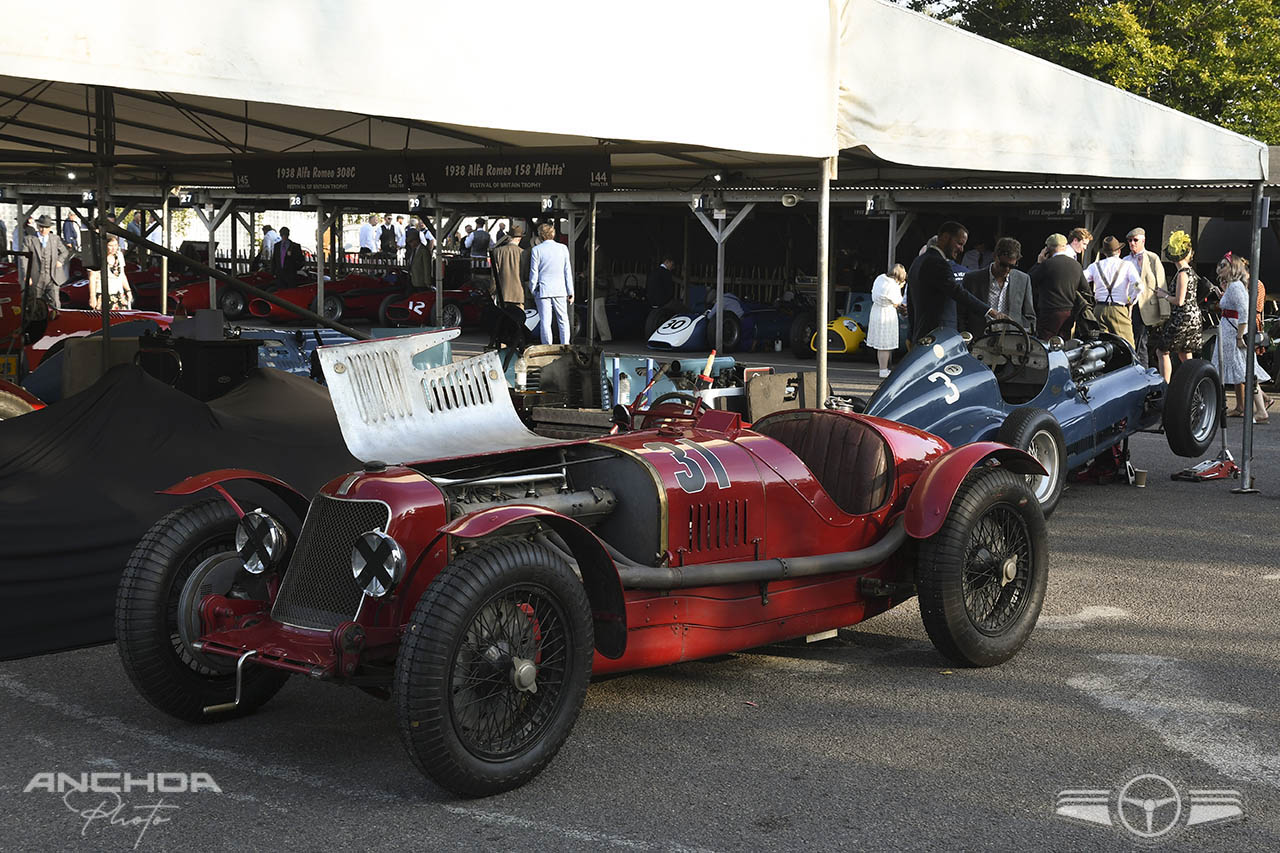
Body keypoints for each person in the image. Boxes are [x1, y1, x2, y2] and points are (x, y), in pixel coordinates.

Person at [908, 221, 1003, 341]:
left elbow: (911, 304)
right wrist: (990, 311)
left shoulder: (917, 261)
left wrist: (911, 335)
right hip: (938, 336)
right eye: (959, 243)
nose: (962, 249)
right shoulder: (938, 263)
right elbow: (958, 292)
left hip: (921, 334)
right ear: (945, 237)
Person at [1213, 254, 1270, 423]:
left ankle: (1259, 409)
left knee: (1245, 371)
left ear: (1233, 268)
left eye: (1223, 265)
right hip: (1230, 333)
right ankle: (1260, 409)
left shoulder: (1236, 286)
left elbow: (1244, 312)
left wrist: (1239, 336)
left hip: (1233, 335)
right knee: (1246, 372)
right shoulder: (1234, 286)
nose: (1219, 268)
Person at [1153, 230, 1201, 381]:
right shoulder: (1190, 271)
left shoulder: (1182, 274)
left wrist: (1164, 295)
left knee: (1162, 351)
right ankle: (1194, 384)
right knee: (1185, 353)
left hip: (1182, 318)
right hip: (1192, 318)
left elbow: (1180, 301)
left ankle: (1165, 385)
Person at [962, 237, 1035, 337]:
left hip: (1012, 340)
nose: (1007, 269)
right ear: (995, 256)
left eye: (1012, 266)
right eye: (1003, 265)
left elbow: (1029, 316)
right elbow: (962, 313)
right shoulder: (972, 279)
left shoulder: (1023, 279)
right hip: (979, 338)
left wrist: (1026, 337)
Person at [20, 215, 71, 343]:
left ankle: (58, 330)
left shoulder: (55, 239)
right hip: (36, 277)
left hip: (52, 277)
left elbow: (65, 251)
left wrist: (60, 261)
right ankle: (35, 333)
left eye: (46, 227)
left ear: (50, 228)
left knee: (56, 304)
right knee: (36, 305)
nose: (43, 230)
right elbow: (23, 258)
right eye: (41, 227)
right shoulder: (29, 240)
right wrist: (26, 275)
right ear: (38, 226)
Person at [1083, 236, 1141, 347]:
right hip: (1118, 309)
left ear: (1105, 253)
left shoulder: (1095, 266)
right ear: (1119, 251)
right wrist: (1131, 300)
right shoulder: (1127, 265)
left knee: (1101, 346)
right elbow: (1139, 286)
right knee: (1128, 346)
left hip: (1099, 309)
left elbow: (1081, 279)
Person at [1031, 233, 1091, 339]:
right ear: (1064, 246)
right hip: (1069, 311)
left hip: (1049, 311)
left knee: (1045, 344)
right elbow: (1086, 290)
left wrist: (1039, 263)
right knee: (1064, 343)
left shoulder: (1046, 265)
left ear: (1048, 249)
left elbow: (1030, 281)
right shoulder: (1076, 265)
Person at [1125, 227, 1168, 368]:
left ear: (1143, 241)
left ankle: (1142, 371)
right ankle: (1137, 369)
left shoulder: (1152, 258)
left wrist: (1164, 311)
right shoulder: (1125, 260)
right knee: (1134, 339)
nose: (1132, 243)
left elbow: (1161, 283)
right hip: (1130, 303)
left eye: (1135, 240)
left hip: (1147, 305)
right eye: (1130, 240)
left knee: (1142, 340)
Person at [529, 221, 573, 344]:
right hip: (560, 289)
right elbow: (567, 271)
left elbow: (534, 272)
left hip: (543, 289)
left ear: (540, 235)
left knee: (545, 321)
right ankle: (565, 345)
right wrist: (570, 291)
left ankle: (547, 346)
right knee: (563, 319)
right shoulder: (563, 248)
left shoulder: (536, 250)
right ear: (553, 234)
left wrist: (532, 288)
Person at [489, 224, 530, 347]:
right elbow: (526, 275)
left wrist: (492, 290)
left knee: (503, 321)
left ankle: (502, 345)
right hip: (519, 293)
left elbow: (493, 275)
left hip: (503, 293)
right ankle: (517, 344)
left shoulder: (498, 252)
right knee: (519, 321)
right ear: (519, 238)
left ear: (509, 237)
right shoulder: (523, 253)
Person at [867, 264, 907, 377]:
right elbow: (898, 301)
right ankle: (883, 370)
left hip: (876, 311)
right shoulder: (893, 285)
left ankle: (882, 368)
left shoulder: (880, 278)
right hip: (887, 314)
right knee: (885, 344)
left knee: (880, 345)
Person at [87, 236, 132, 310]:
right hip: (103, 293)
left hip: (119, 292)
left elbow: (122, 275)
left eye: (116, 245)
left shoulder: (119, 255)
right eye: (110, 246)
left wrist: (128, 290)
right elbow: (92, 278)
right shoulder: (97, 257)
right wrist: (92, 296)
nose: (114, 248)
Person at [409, 219, 435, 290]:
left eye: (411, 241)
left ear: (416, 240)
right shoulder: (414, 250)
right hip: (414, 281)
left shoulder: (424, 251)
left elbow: (427, 267)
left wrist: (427, 282)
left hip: (422, 283)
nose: (410, 244)